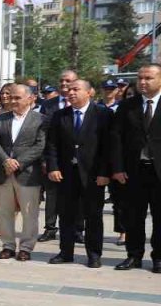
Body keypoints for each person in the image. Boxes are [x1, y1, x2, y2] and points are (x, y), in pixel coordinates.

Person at [45, 80, 114, 268]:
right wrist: (53, 167)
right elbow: (52, 144)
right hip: (66, 173)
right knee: (66, 214)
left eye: (76, 89)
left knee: (93, 216)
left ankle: (94, 254)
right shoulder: (60, 115)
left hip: (93, 174)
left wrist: (104, 172)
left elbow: (108, 146)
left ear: (89, 92)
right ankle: (66, 252)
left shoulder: (103, 114)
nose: (71, 92)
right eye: (69, 89)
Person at [110, 63, 161, 272]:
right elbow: (116, 139)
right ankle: (134, 255)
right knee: (133, 216)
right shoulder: (127, 106)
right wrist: (117, 168)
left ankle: (158, 258)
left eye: (148, 78)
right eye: (140, 78)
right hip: (134, 170)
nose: (143, 82)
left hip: (158, 170)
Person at [0, 84, 46, 262]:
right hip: (3, 172)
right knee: (4, 211)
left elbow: (40, 145)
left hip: (28, 173)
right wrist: (6, 160)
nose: (12, 100)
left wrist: (19, 163)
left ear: (30, 99)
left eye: (17, 98)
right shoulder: (0, 119)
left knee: (30, 213)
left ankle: (26, 248)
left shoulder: (41, 120)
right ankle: (8, 246)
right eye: (11, 97)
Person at [39, 69, 80, 243]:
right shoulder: (48, 105)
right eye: (62, 80)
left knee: (77, 196)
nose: (64, 84)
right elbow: (41, 132)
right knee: (52, 195)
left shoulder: (83, 103)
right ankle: (50, 228)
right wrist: (44, 159)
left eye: (68, 81)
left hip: (77, 159)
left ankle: (77, 229)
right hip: (53, 157)